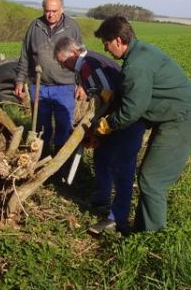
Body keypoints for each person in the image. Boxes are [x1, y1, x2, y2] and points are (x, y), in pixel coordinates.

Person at [94, 15, 191, 232]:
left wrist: (107, 125)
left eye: (106, 44)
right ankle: (143, 229)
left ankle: (153, 237)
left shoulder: (136, 64)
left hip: (181, 120)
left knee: (153, 179)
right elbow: (137, 92)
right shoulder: (139, 53)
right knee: (148, 176)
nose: (106, 50)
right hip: (171, 116)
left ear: (117, 40)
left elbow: (132, 110)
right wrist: (114, 96)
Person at [54, 37, 145, 234]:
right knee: (102, 156)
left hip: (126, 120)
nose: (63, 67)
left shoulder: (87, 65)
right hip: (115, 119)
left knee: (122, 167)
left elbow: (110, 99)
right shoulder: (87, 63)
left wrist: (101, 129)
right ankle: (102, 197)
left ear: (74, 54)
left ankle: (117, 219)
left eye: (63, 62)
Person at [14, 0, 85, 159]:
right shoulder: (35, 26)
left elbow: (81, 57)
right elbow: (25, 55)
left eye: (54, 11)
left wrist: (81, 84)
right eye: (47, 11)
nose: (50, 15)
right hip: (39, 86)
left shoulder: (72, 27)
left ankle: (60, 163)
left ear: (62, 10)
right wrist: (19, 80)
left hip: (65, 87)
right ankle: (39, 159)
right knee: (40, 128)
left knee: (64, 126)